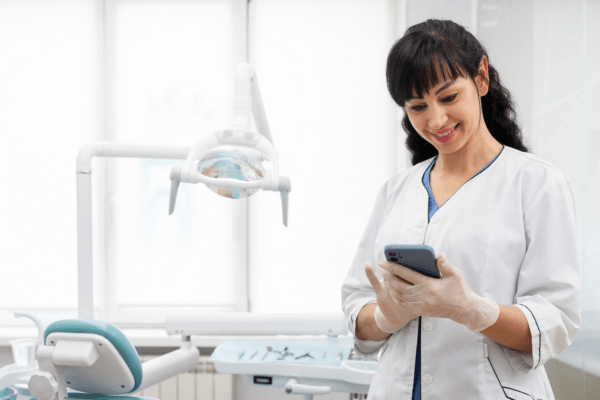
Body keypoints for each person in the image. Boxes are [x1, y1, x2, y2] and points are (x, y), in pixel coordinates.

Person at [341, 19, 580, 399]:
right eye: (418, 106)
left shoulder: (536, 184)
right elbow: (358, 311)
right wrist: (388, 317)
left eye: (449, 97)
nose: (436, 120)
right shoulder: (395, 191)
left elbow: (555, 321)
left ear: (481, 78)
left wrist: (472, 310)